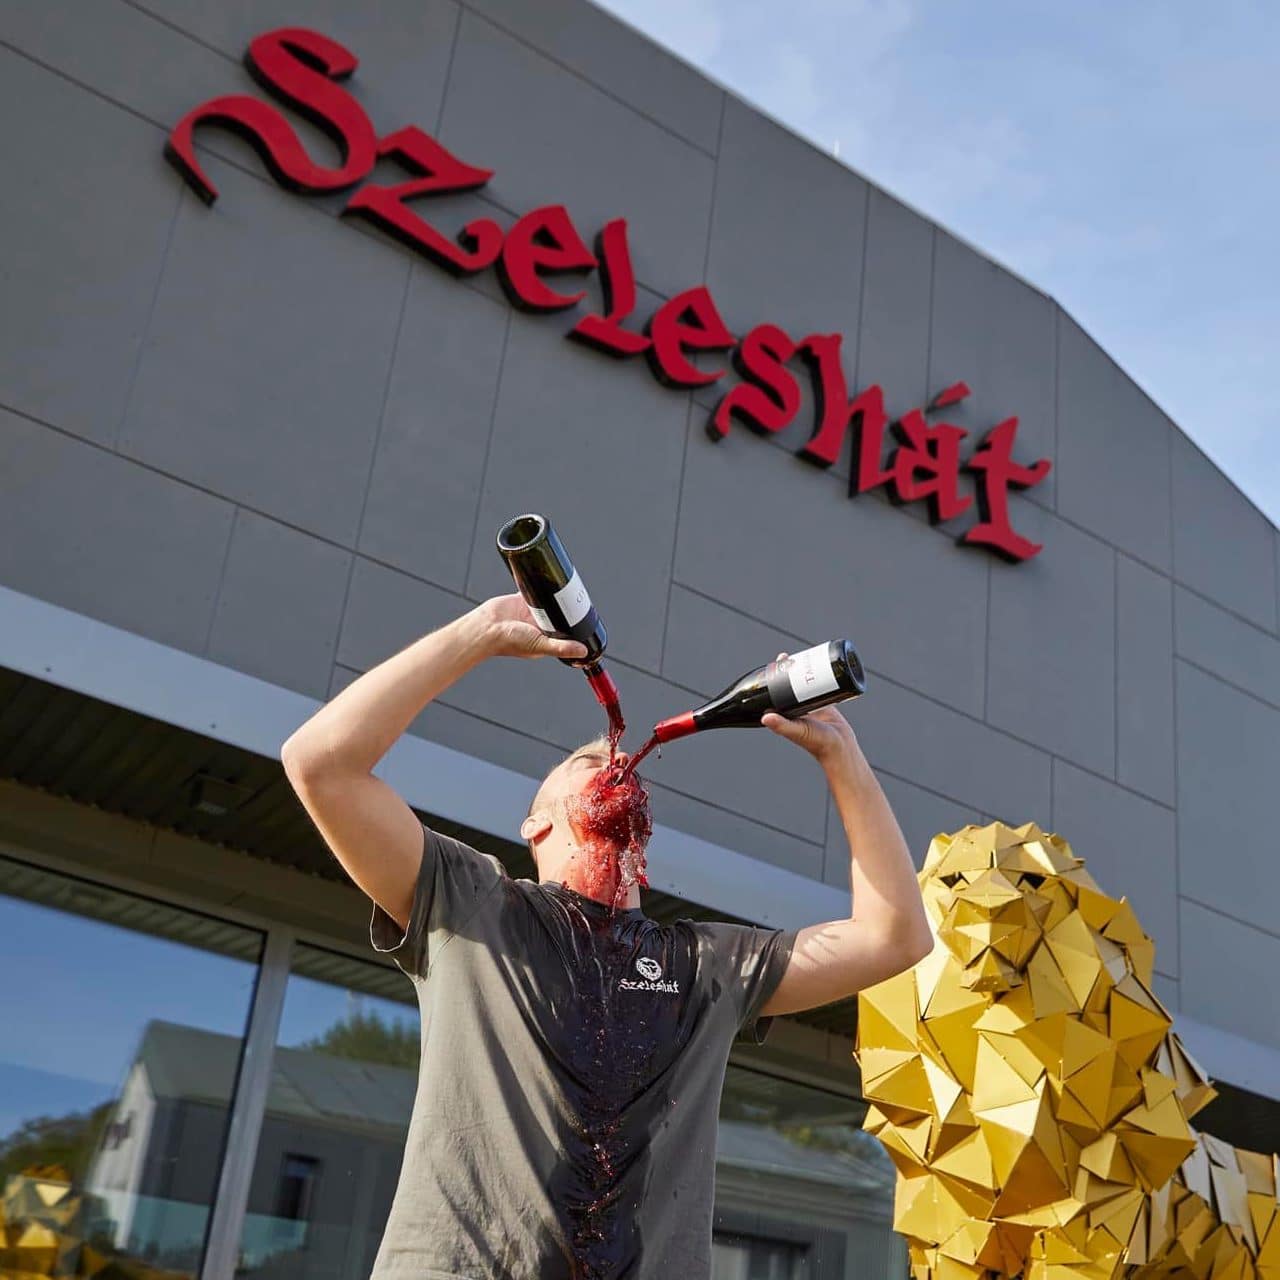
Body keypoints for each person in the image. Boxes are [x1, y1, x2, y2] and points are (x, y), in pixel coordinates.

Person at [280, 591, 932, 1280]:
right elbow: (320, 763)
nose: (614, 759)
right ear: (535, 827)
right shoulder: (475, 907)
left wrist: (842, 756)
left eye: (617, 760)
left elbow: (894, 936)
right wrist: (477, 634)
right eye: (586, 763)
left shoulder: (705, 966)